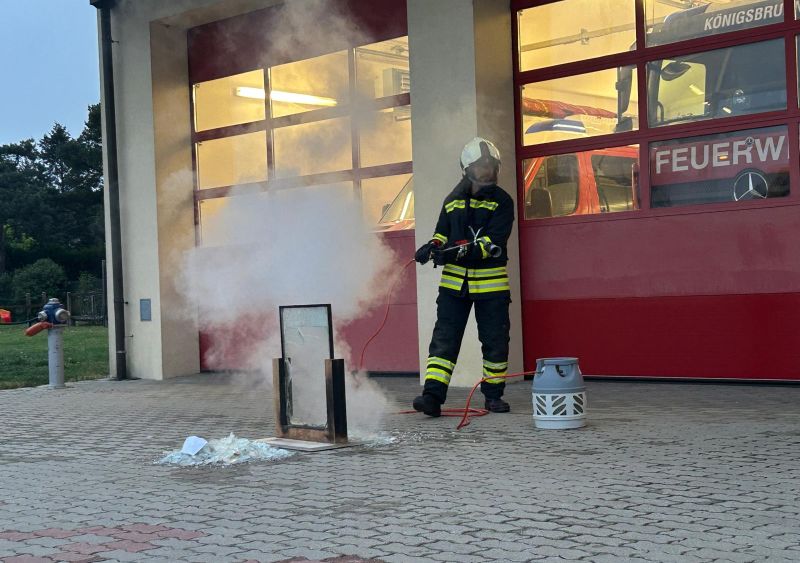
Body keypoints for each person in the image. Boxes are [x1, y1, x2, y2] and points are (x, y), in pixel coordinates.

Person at [412, 137, 515, 417]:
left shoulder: (503, 202)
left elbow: (492, 244)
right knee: (444, 340)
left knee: (495, 341)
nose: (488, 173)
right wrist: (432, 246)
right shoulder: (453, 200)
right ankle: (432, 397)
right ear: (466, 169)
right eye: (481, 168)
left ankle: (493, 396)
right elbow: (442, 232)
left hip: (491, 287)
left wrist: (454, 254)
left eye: (491, 167)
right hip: (453, 286)